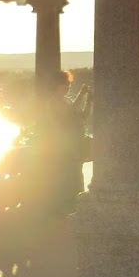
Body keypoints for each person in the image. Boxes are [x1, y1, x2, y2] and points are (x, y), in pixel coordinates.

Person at [33, 68, 87, 217]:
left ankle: (74, 211)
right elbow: (69, 114)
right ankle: (64, 214)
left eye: (68, 85)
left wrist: (88, 99)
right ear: (56, 86)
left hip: (73, 147)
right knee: (67, 181)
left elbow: (81, 116)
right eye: (64, 85)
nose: (67, 88)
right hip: (62, 149)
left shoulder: (66, 100)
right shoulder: (53, 103)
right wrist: (81, 94)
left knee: (76, 179)